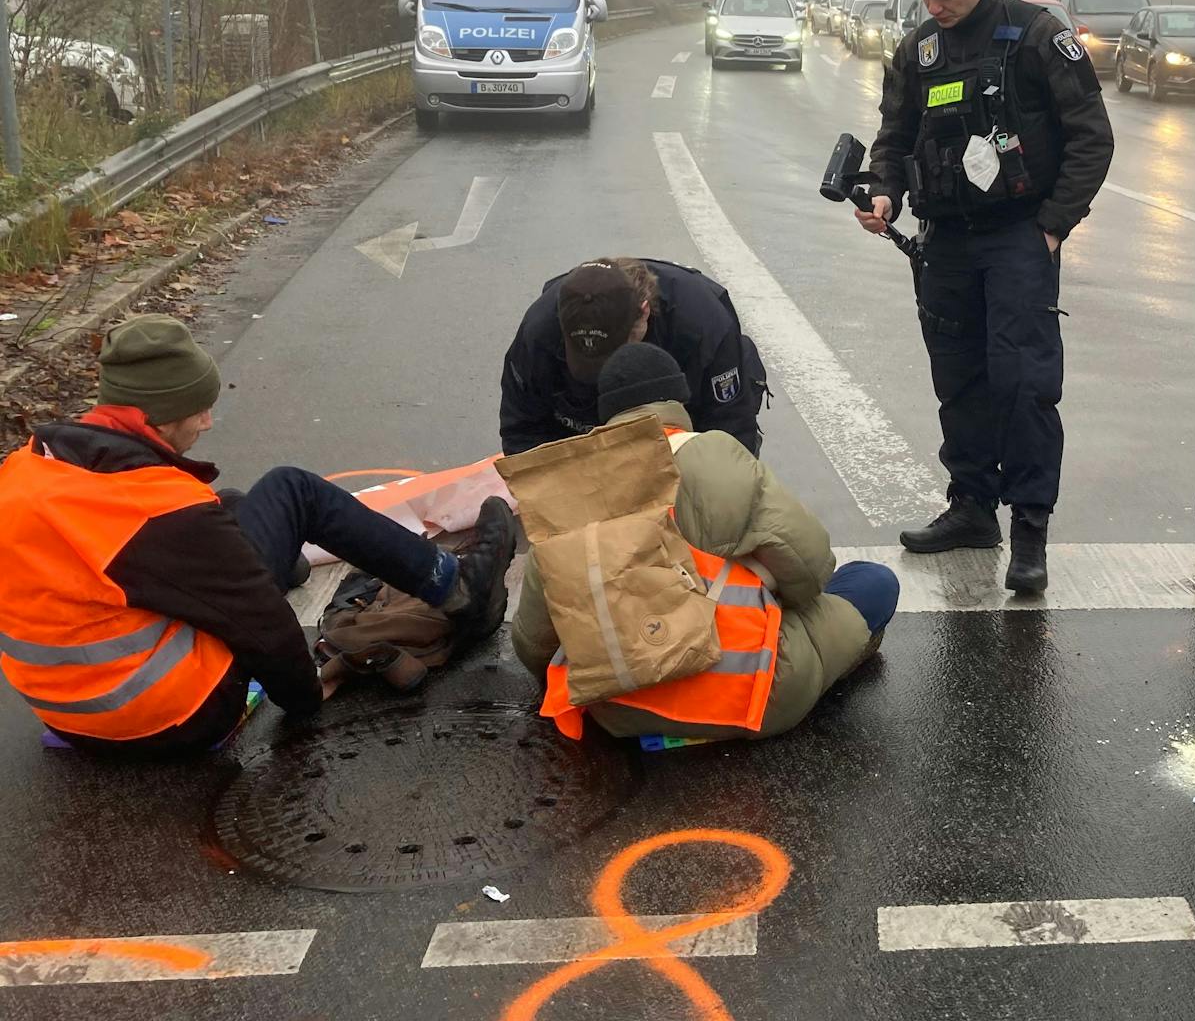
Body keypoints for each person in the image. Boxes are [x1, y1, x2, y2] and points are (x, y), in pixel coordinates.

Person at [0, 315, 517, 757]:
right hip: (173, 718)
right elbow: (265, 629)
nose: (206, 420)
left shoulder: (25, 472)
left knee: (232, 505)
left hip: (70, 717)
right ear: (144, 419)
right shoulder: (159, 513)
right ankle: (457, 588)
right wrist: (306, 698)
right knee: (292, 490)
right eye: (196, 409)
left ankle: (281, 558)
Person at [857, 0, 1114, 593]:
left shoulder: (1035, 36)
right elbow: (893, 136)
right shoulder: (920, 50)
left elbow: (1093, 138)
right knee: (960, 379)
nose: (935, 8)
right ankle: (971, 506)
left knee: (1022, 383)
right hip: (946, 243)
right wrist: (883, 195)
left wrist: (1054, 226)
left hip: (1018, 238)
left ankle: (1030, 526)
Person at [511, 344, 899, 741]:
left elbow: (534, 644)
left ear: (607, 414)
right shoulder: (714, 453)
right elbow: (810, 569)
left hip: (617, 707)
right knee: (872, 583)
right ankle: (840, 662)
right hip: (755, 697)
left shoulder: (566, 488)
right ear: (679, 400)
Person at [500, 257, 767, 457]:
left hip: (686, 427)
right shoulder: (539, 331)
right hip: (584, 428)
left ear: (643, 314)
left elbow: (732, 431)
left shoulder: (703, 324)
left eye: (612, 354)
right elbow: (522, 430)